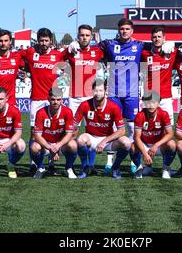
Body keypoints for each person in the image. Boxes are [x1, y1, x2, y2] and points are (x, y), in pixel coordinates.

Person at [70, 19, 173, 173]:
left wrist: (169, 44)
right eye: (122, 29)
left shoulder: (140, 45)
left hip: (131, 95)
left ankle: (135, 162)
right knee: (112, 128)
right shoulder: (109, 44)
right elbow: (88, 48)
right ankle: (109, 162)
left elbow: (156, 45)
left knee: (132, 128)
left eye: (127, 29)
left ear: (132, 31)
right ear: (118, 30)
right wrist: (73, 44)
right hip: (113, 94)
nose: (124, 31)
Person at [19, 28, 66, 174]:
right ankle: (34, 162)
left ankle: (51, 162)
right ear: (37, 40)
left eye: (46, 40)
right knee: (34, 131)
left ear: (50, 41)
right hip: (37, 99)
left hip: (53, 98)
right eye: (41, 40)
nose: (44, 43)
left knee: (53, 131)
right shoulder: (30, 52)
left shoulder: (57, 54)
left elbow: (70, 57)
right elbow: (15, 56)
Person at [63, 24, 104, 174]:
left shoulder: (97, 51)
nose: (84, 38)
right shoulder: (72, 51)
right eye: (82, 35)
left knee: (91, 132)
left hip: (90, 97)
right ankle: (71, 165)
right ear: (78, 36)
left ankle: (89, 165)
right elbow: (56, 57)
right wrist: (68, 48)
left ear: (91, 37)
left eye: (87, 35)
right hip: (74, 97)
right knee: (73, 132)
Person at [74, 80, 132, 179]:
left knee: (127, 142)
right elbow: (74, 126)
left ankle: (115, 167)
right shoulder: (84, 105)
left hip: (108, 140)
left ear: (106, 91)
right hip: (91, 138)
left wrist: (104, 141)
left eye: (101, 90)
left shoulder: (114, 107)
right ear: (92, 91)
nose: (98, 93)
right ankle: (85, 167)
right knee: (80, 140)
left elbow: (122, 131)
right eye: (96, 90)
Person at [30, 87, 78, 179]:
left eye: (58, 99)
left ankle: (68, 168)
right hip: (46, 144)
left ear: (62, 100)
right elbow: (37, 135)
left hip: (60, 144)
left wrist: (57, 146)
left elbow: (69, 134)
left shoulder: (68, 112)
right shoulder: (40, 112)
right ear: (48, 99)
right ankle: (41, 168)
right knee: (34, 147)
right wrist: (50, 147)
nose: (55, 102)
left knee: (73, 145)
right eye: (53, 99)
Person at [130, 90, 176, 179]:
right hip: (144, 145)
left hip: (159, 146)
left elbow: (170, 134)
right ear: (144, 103)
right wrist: (145, 154)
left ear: (158, 103)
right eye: (148, 102)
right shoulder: (140, 115)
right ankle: (140, 167)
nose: (151, 105)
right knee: (132, 146)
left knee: (172, 144)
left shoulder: (163, 114)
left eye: (154, 102)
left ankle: (166, 169)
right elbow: (136, 137)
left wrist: (156, 145)